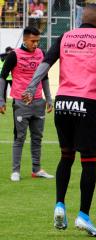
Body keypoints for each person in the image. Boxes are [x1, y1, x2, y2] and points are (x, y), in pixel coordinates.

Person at [22, 4, 96, 236]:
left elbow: (47, 61)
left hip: (63, 103)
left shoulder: (65, 36)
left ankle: (59, 205)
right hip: (87, 103)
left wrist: (32, 86)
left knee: (66, 156)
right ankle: (83, 215)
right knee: (89, 161)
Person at [0, 27, 53, 182]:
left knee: (37, 137)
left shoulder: (41, 54)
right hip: (21, 102)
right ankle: (15, 170)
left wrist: (49, 99)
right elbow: (2, 77)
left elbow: (45, 77)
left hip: (38, 102)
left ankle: (36, 169)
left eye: (38, 41)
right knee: (20, 137)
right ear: (25, 39)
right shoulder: (14, 55)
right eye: (33, 41)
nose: (36, 44)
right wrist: (1, 100)